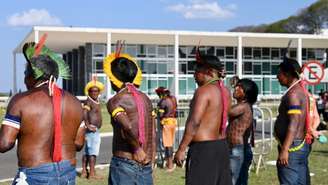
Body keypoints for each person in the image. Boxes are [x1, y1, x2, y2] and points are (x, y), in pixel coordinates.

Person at [0, 41, 84, 184]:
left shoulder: (21, 101)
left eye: (26, 73)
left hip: (34, 175)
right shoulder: (76, 103)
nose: (24, 78)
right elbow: (78, 144)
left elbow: (4, 143)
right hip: (67, 174)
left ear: (33, 76)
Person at [174, 54, 232, 185]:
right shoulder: (226, 91)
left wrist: (182, 149)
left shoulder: (203, 91)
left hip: (204, 150)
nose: (194, 75)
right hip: (221, 147)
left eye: (197, 71)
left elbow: (194, 122)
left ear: (209, 72)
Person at [104, 49, 156, 185]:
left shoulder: (115, 101)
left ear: (114, 79)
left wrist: (137, 149)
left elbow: (126, 126)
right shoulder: (146, 99)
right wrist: (151, 158)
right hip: (145, 163)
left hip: (124, 164)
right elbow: (153, 132)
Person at [274, 57, 312, 185]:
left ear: (288, 75)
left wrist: (285, 149)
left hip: (292, 148)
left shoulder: (293, 95)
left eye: (279, 73)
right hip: (298, 145)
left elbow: (293, 123)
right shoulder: (300, 91)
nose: (277, 77)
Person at [227, 79, 258, 185]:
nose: (236, 88)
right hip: (237, 149)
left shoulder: (244, 106)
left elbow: (226, 111)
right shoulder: (242, 105)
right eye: (236, 86)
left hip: (238, 150)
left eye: (240, 87)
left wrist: (224, 93)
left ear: (246, 93)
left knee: (233, 181)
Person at [81, 78, 105, 179]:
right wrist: (88, 125)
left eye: (96, 91)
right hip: (92, 130)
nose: (94, 93)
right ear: (89, 92)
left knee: (88, 151)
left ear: (99, 92)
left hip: (94, 130)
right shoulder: (89, 101)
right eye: (92, 91)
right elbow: (84, 113)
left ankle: (84, 171)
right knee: (92, 152)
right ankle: (92, 173)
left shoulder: (96, 101)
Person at [155, 87, 177, 172]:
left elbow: (160, 114)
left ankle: (170, 165)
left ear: (161, 94)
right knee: (170, 143)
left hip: (166, 123)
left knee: (167, 145)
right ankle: (169, 163)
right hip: (173, 122)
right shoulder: (173, 99)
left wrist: (156, 113)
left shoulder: (163, 101)